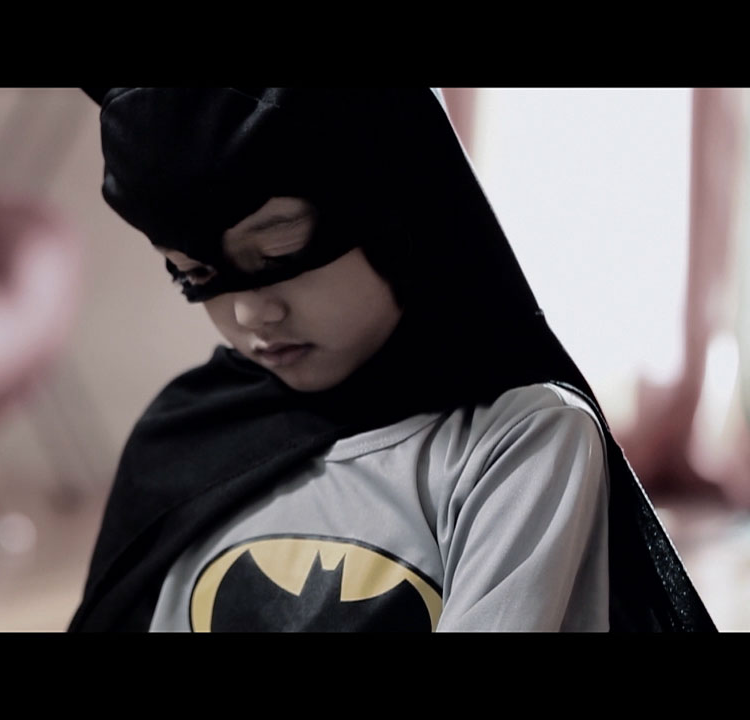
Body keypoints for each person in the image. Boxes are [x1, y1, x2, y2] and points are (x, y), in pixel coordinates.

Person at [68, 87, 716, 632]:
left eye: (280, 251)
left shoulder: (519, 440)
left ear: (395, 215)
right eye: (195, 273)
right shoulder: (185, 435)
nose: (249, 313)